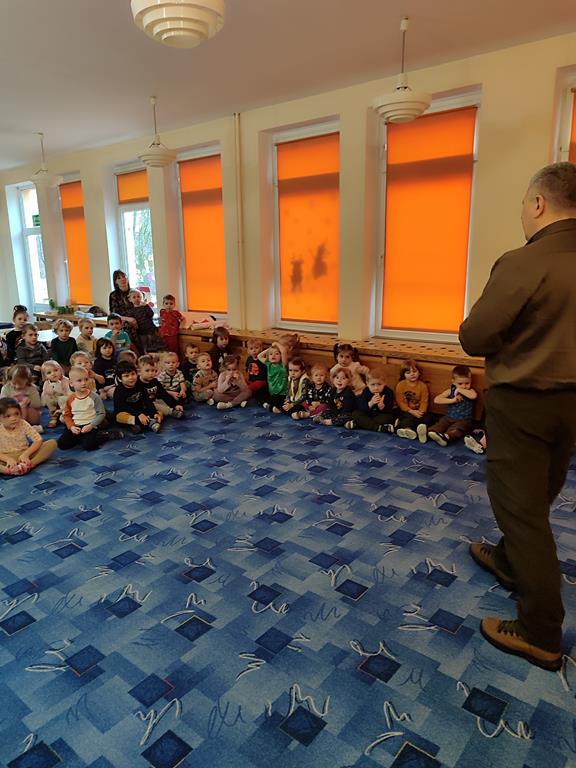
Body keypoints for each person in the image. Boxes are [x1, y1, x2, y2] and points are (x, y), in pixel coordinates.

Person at [458, 162, 576, 672]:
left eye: (525, 204)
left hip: (525, 403)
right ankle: (508, 561)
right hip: (572, 407)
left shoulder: (525, 261)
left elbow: (476, 336)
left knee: (522, 512)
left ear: (539, 203)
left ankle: (540, 633)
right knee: (542, 491)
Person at [58, 366, 123, 451]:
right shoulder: (70, 398)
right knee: (61, 444)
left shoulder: (94, 397)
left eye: (86, 379)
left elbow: (101, 413)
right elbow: (67, 415)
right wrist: (71, 427)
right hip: (76, 426)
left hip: (91, 425)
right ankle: (82, 439)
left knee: (89, 446)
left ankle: (105, 435)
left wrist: (91, 425)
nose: (84, 383)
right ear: (71, 383)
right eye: (79, 380)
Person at [417, 365, 477, 447]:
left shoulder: (470, 391)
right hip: (448, 417)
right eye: (460, 384)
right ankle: (428, 433)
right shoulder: (450, 391)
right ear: (453, 382)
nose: (464, 386)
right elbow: (437, 399)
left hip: (463, 420)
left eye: (467, 383)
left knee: (456, 429)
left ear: (471, 381)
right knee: (441, 424)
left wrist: (459, 389)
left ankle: (445, 437)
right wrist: (452, 400)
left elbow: (473, 396)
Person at [0, 397, 56, 475]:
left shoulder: (23, 423)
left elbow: (38, 440)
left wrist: (26, 454)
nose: (14, 418)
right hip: (5, 456)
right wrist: (8, 459)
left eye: (16, 414)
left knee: (52, 443)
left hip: (24, 454)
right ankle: (8, 470)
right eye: (8, 416)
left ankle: (29, 465)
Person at [113, 360, 161, 434]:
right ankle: (150, 423)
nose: (131, 377)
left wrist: (154, 412)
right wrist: (138, 415)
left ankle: (138, 425)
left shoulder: (139, 384)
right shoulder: (119, 390)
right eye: (126, 376)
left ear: (137, 373)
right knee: (119, 417)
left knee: (159, 412)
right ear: (120, 379)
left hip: (140, 410)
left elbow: (147, 400)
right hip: (127, 412)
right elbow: (121, 406)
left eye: (133, 374)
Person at [345, 366, 395, 432]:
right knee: (355, 414)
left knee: (389, 417)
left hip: (379, 415)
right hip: (368, 414)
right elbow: (361, 407)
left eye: (379, 384)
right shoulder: (366, 391)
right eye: (373, 384)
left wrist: (382, 406)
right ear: (367, 383)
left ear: (385, 383)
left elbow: (389, 409)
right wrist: (370, 403)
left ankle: (361, 424)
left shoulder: (388, 392)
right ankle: (378, 427)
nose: (376, 388)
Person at [138, 355, 184, 421]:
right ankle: (171, 412)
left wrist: (175, 405)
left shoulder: (155, 381)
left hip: (156, 401)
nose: (151, 373)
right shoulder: (138, 384)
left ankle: (158, 416)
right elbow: (144, 401)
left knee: (163, 403)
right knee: (154, 405)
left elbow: (164, 394)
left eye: (153, 370)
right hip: (145, 405)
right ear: (139, 372)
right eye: (147, 371)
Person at [395, 359, 431, 440]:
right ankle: (407, 430)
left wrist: (421, 412)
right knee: (406, 417)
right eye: (408, 373)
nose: (412, 374)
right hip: (406, 410)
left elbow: (424, 401)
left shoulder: (423, 386)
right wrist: (411, 411)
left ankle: (420, 430)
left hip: (418, 411)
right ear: (403, 374)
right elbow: (400, 402)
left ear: (419, 372)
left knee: (428, 417)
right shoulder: (400, 385)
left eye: (414, 371)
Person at [108, 269, 140, 349]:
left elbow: (140, 306)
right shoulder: (114, 295)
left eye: (124, 276)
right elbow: (114, 314)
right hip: (122, 319)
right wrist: (129, 319)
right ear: (116, 282)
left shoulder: (133, 292)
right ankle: (135, 351)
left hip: (136, 317)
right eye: (119, 278)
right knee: (128, 326)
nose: (122, 279)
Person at [257, 342, 288, 410]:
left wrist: (277, 343)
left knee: (273, 399)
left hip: (281, 394)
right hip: (271, 391)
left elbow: (283, 351)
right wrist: (270, 349)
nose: (273, 355)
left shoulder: (283, 365)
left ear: (281, 356)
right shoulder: (269, 364)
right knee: (259, 392)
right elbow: (259, 356)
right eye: (271, 354)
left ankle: (269, 406)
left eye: (277, 354)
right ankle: (266, 404)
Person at [40, 360, 71, 428]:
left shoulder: (65, 380)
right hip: (53, 399)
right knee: (47, 398)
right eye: (49, 373)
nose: (53, 374)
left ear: (61, 370)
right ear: (45, 376)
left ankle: (65, 414)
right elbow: (44, 392)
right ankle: (54, 416)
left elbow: (69, 393)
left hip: (64, 400)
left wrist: (62, 391)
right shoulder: (46, 383)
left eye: (56, 370)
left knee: (62, 399)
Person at [245, 338, 268, 405]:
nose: (254, 350)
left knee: (256, 385)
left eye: (256, 348)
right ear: (248, 351)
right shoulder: (249, 359)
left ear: (261, 349)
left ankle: (247, 395)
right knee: (243, 382)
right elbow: (247, 369)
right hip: (252, 380)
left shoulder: (262, 360)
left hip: (261, 381)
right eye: (251, 349)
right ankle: (244, 396)